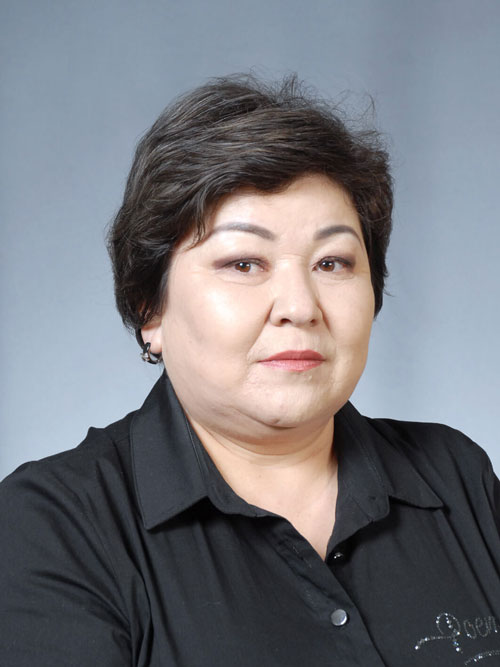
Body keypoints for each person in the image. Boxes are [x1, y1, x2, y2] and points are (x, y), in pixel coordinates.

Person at [1, 74, 499, 667]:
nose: (300, 306)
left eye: (332, 262)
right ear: (149, 308)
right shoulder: (53, 526)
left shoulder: (455, 476)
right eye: (244, 263)